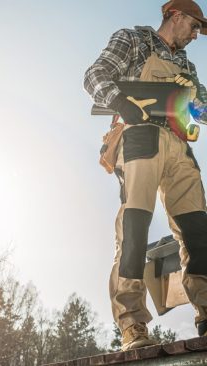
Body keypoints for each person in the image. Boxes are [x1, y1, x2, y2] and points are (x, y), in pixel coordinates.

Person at [84, 0, 207, 351]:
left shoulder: (187, 63)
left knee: (197, 230)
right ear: (176, 15)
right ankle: (133, 326)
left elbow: (202, 109)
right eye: (194, 26)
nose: (197, 35)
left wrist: (194, 98)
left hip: (179, 145)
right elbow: (95, 75)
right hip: (140, 136)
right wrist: (121, 103)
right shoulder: (133, 39)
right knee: (135, 226)